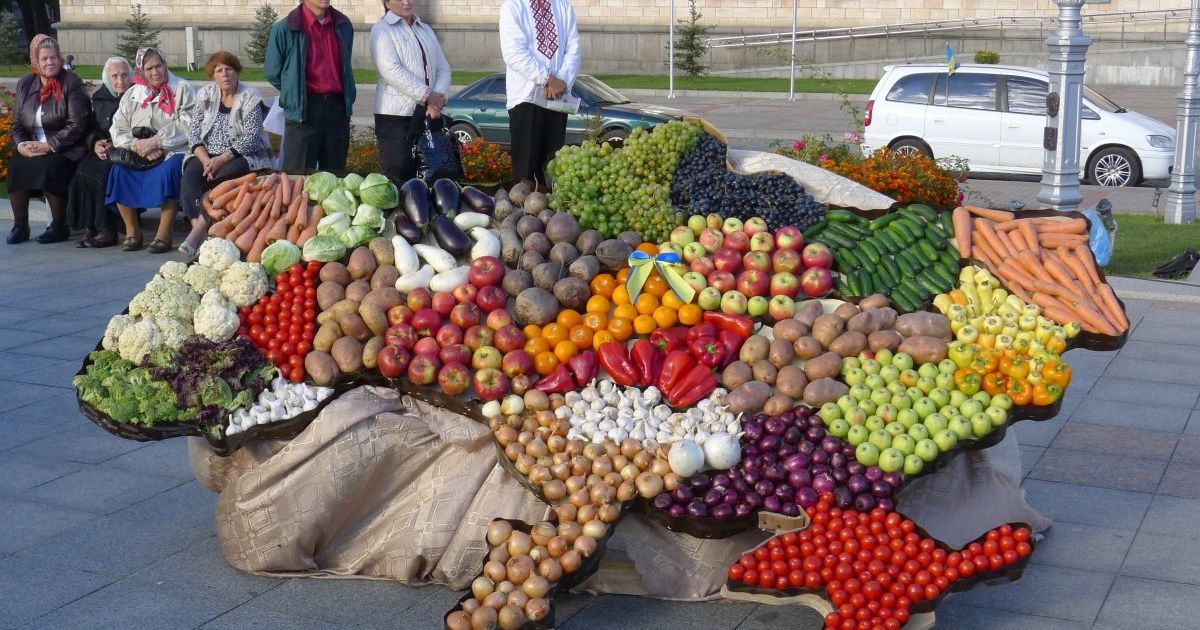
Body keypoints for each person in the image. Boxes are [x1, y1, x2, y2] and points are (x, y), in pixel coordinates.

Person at [179, 51, 273, 258]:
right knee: (190, 177)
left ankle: (200, 231)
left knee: (225, 178)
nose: (224, 74)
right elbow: (194, 133)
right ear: (213, 76)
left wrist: (221, 159)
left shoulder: (250, 96)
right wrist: (206, 161)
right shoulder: (205, 94)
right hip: (206, 154)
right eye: (218, 70)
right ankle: (201, 231)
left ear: (237, 72)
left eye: (229, 69)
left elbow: (251, 138)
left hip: (241, 155)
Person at [106, 47, 196, 253]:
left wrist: (157, 142)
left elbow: (189, 124)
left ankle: (164, 234)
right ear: (141, 71)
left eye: (158, 66)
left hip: (173, 149)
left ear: (165, 65)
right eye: (149, 68)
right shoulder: (133, 94)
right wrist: (137, 147)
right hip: (139, 152)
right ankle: (133, 232)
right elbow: (118, 127)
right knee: (119, 171)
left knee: (172, 169)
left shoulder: (181, 88)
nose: (155, 72)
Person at [6, 35, 89, 245]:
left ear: (60, 59)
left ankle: (59, 226)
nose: (49, 62)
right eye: (44, 59)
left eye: (53, 58)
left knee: (51, 167)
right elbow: (16, 124)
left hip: (65, 148)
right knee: (16, 165)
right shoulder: (26, 83)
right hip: (34, 146)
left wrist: (49, 146)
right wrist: (23, 146)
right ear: (36, 61)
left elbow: (77, 125)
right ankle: (20, 226)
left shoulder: (71, 83)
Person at [265, 0, 355, 172]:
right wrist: (294, 90)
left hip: (337, 109)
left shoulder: (343, 24)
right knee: (296, 177)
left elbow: (344, 66)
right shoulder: (285, 28)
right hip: (304, 109)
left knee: (334, 177)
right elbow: (272, 72)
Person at [499, 0, 580, 191]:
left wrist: (561, 83)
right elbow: (513, 52)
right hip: (526, 98)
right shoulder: (513, 6)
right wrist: (547, 79)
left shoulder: (563, 6)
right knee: (527, 170)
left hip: (557, 99)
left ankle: (549, 217)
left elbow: (573, 49)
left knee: (551, 165)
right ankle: (526, 216)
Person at [369, 0, 451, 183]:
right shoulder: (382, 30)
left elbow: (443, 68)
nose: (406, 2)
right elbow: (391, 70)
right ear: (387, 3)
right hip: (395, 116)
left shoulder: (425, 30)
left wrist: (435, 100)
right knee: (398, 174)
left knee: (433, 172)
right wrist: (427, 95)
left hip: (426, 113)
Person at [66, 56, 133, 248]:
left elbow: (138, 128)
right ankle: (90, 226)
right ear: (107, 78)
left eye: (124, 75)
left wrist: (115, 143)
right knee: (83, 169)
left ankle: (108, 229)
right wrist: (95, 142)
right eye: (114, 76)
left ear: (130, 76)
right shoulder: (100, 97)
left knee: (104, 173)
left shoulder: (137, 96)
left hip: (125, 149)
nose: (120, 81)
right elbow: (93, 127)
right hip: (103, 148)